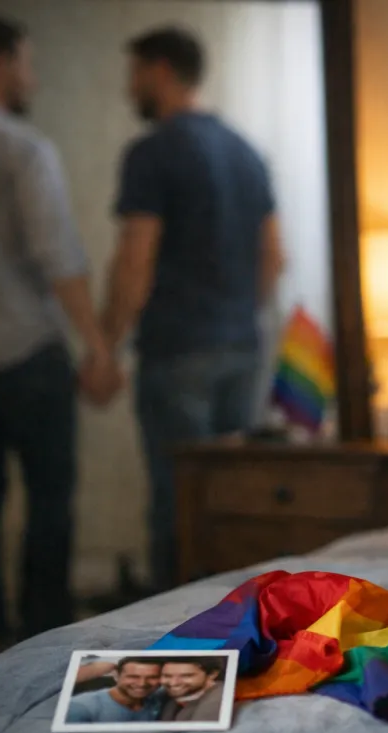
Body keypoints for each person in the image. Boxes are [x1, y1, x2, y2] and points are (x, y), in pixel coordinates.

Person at [0, 17, 121, 648]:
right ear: (3, 62)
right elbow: (58, 256)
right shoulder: (22, 148)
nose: (31, 77)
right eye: (28, 63)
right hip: (25, 351)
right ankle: (43, 632)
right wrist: (96, 343)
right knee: (48, 496)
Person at [99, 26, 285, 592]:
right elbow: (275, 258)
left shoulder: (153, 152)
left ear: (159, 71)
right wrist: (235, 317)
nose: (129, 87)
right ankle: (236, 622)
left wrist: (106, 345)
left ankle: (172, 630)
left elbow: (136, 262)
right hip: (240, 347)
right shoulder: (246, 151)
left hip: (178, 347)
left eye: (134, 74)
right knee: (229, 502)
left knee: (176, 498)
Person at [65, 657, 163, 723]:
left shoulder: (156, 698)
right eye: (133, 676)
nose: (142, 683)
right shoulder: (82, 707)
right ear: (116, 676)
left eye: (152, 677)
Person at [157, 657, 225, 722]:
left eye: (186, 676)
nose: (173, 683)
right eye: (167, 676)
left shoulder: (221, 699)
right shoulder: (167, 700)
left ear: (212, 674)